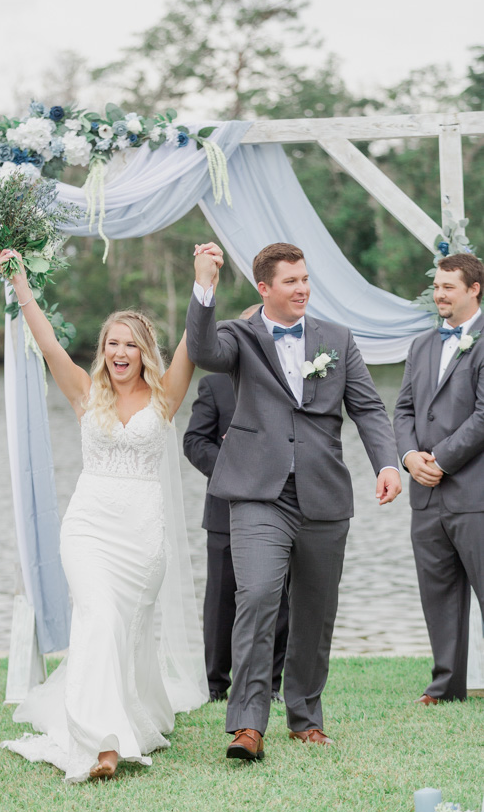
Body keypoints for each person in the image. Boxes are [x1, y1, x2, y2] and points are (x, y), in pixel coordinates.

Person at [0, 248, 208, 782]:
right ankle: (102, 744)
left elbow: (192, 338)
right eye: (112, 343)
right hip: (89, 528)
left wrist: (202, 283)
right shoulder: (83, 392)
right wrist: (20, 281)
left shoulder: (166, 397)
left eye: (130, 345)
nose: (120, 352)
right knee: (97, 616)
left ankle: (129, 712)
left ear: (144, 353)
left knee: (125, 629)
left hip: (142, 535)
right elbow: (46, 340)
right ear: (103, 351)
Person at [186, 241, 401, 761]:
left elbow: (369, 409)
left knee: (314, 611)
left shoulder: (338, 338)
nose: (303, 288)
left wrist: (388, 462)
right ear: (265, 288)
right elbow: (202, 352)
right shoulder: (240, 336)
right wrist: (204, 285)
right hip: (259, 495)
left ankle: (305, 716)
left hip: (325, 494)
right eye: (291, 281)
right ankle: (247, 724)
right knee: (257, 596)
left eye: (305, 279)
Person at [183, 304, 289, 703]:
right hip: (225, 509)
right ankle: (215, 683)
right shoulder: (214, 385)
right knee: (223, 599)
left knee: (279, 600)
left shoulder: (289, 381)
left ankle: (272, 683)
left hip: (284, 507)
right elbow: (194, 442)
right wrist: (232, 465)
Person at [394, 252, 484, 703]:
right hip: (426, 496)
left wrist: (440, 459)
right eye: (437, 287)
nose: (439, 294)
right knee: (438, 595)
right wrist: (411, 457)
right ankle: (446, 686)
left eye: (449, 287)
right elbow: (404, 409)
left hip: (474, 493)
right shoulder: (421, 345)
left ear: (474, 289)